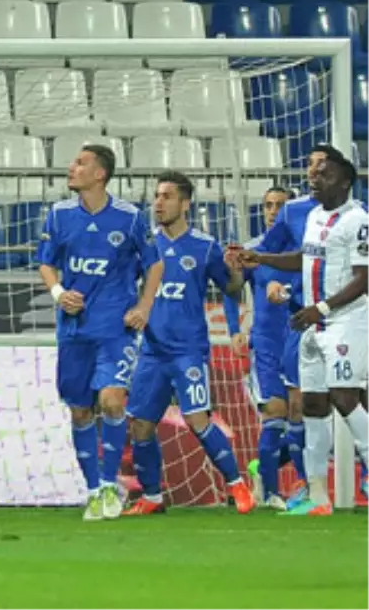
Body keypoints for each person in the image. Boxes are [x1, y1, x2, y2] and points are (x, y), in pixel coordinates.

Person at [35, 145, 163, 521]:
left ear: (100, 174)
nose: (71, 167)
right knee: (79, 412)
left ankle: (109, 485)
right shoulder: (58, 215)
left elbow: (154, 266)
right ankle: (93, 490)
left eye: (80, 163)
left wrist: (144, 307)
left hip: (114, 329)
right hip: (73, 331)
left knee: (111, 401)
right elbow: (46, 264)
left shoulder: (129, 217)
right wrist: (59, 293)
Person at [240, 153, 369, 515]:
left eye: (323, 174)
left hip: (345, 323)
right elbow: (305, 258)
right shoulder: (313, 216)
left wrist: (322, 308)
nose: (314, 179)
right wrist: (261, 259)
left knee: (345, 399)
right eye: (313, 174)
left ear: (344, 181)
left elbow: (365, 278)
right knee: (312, 407)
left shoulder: (359, 220)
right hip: (311, 323)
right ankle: (317, 496)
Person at [122, 171, 254, 516]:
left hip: (188, 351)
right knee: (140, 426)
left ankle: (236, 484)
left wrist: (236, 271)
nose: (158, 203)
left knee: (198, 420)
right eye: (156, 196)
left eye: (166, 196)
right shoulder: (147, 245)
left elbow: (231, 289)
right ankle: (152, 496)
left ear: (185, 203)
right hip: (152, 351)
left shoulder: (205, 246)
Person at [225, 186, 304, 509]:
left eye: (280, 206)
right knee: (274, 411)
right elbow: (231, 292)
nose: (273, 211)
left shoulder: (305, 250)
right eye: (269, 205)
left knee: (304, 416)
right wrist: (234, 330)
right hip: (268, 342)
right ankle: (271, 492)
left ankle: (268, 467)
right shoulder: (253, 252)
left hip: (301, 339)